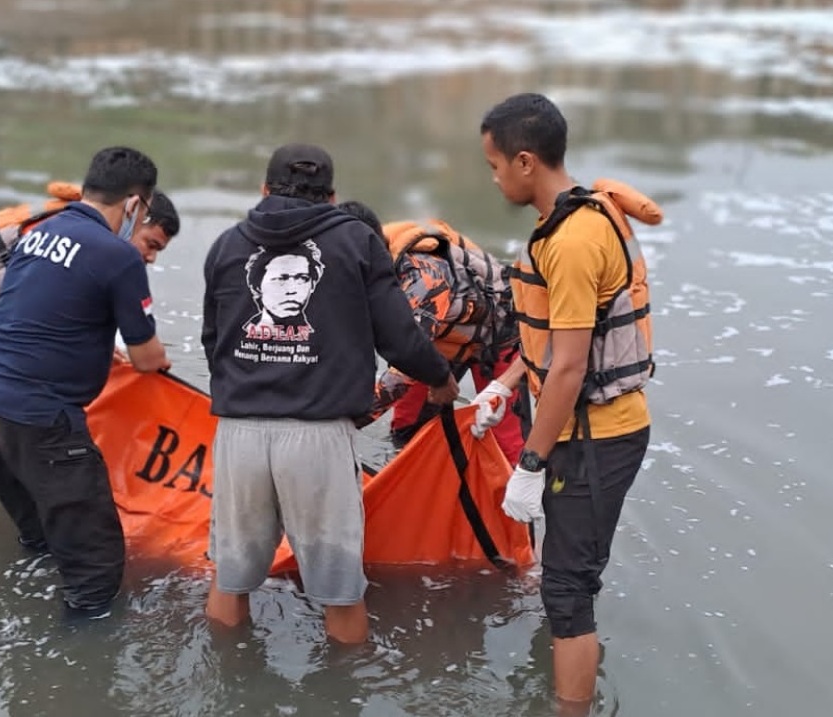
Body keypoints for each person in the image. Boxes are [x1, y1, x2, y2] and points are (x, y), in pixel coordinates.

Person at [201, 143, 459, 644]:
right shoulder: (357, 241)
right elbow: (401, 339)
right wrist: (441, 379)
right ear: (331, 198)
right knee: (341, 592)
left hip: (239, 436)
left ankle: (229, 681)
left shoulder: (227, 245)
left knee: (229, 580)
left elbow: (215, 342)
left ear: (264, 190)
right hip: (318, 439)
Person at [479, 93, 654, 712]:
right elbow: (561, 331)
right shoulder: (573, 218)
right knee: (568, 579)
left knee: (567, 592)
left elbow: (574, 366)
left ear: (526, 162)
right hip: (582, 431)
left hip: (597, 437)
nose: (495, 177)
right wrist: (504, 385)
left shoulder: (574, 239)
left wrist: (529, 463)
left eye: (496, 165)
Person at [0, 146, 172, 615]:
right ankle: (74, 675)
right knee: (96, 571)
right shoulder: (117, 255)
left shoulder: (39, 233)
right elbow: (147, 358)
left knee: (39, 541)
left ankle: (18, 638)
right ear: (135, 205)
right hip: (44, 420)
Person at [0, 185, 180, 443]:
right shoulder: (79, 240)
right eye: (150, 244)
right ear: (133, 216)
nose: (152, 257)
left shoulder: (81, 224)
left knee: (6, 438)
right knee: (0, 440)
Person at [338, 200, 524, 464]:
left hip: (500, 336)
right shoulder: (348, 264)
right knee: (406, 430)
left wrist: (341, 423)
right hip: (438, 337)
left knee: (507, 448)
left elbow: (403, 372)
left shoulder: (423, 277)